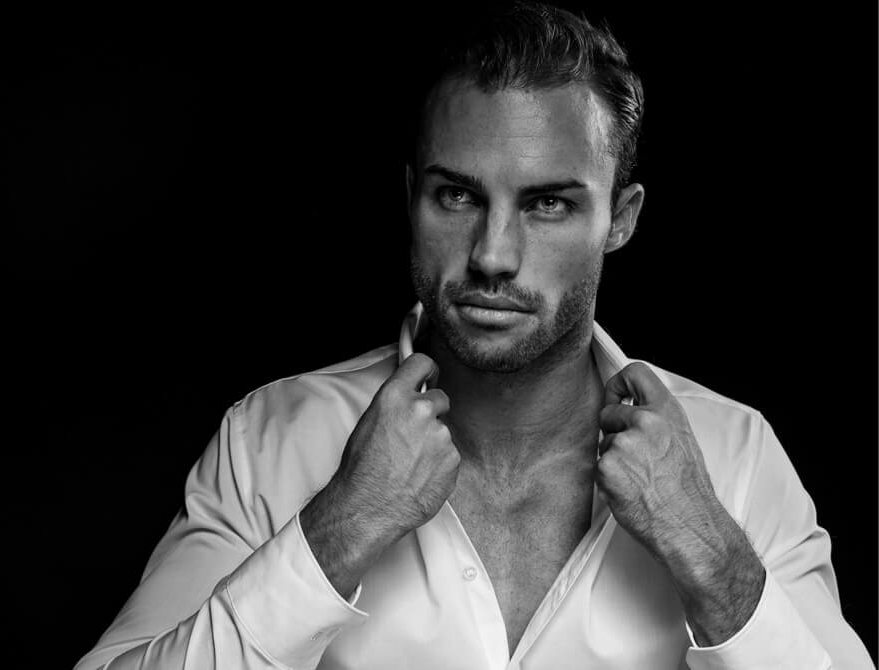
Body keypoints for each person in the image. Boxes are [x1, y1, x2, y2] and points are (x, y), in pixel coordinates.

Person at [74, 3, 874, 669]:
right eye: (457, 197)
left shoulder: (735, 458)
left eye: (548, 204)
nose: (493, 255)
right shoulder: (271, 442)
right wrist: (337, 530)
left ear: (620, 219)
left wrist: (711, 555)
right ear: (411, 198)